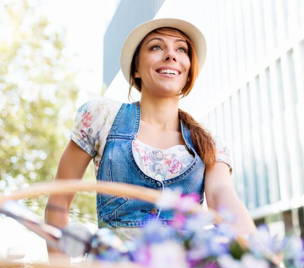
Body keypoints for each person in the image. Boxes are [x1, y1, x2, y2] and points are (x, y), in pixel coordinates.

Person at [45, 18, 256, 248]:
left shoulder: (208, 143)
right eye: (156, 46)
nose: (170, 55)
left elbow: (222, 197)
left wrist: (259, 252)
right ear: (136, 69)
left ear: (188, 71)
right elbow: (58, 204)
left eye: (181, 49)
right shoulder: (100, 116)